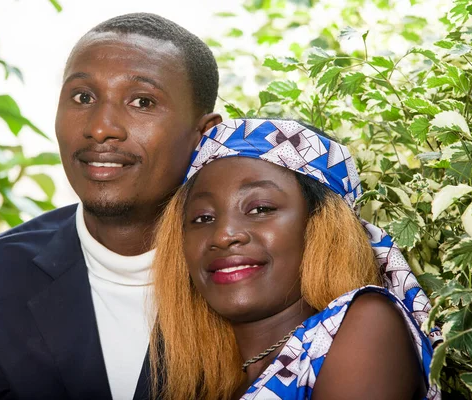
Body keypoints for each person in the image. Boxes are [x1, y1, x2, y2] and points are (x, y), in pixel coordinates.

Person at [0, 13, 222, 400]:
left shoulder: (247, 270)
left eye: (142, 101)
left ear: (203, 134)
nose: (101, 126)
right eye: (83, 97)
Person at [149, 119, 441, 399]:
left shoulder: (365, 326)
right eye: (203, 217)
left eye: (260, 209)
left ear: (321, 226)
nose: (223, 235)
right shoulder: (201, 380)